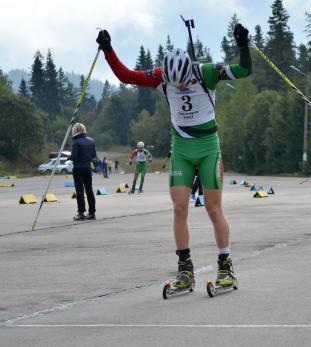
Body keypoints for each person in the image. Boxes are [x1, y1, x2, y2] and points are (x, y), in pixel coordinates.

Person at [96, 22, 251, 290]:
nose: (177, 88)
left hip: (207, 148)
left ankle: (226, 266)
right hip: (181, 148)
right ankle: (185, 269)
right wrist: (108, 50)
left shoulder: (206, 73)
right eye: (172, 84)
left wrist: (242, 44)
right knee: (179, 208)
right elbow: (127, 76)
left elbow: (244, 69)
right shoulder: (161, 76)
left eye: (181, 84)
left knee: (213, 209)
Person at [70, 123, 97, 221]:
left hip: (78, 168)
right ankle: (92, 212)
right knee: (89, 190)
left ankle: (81, 213)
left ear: (75, 131)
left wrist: (69, 157)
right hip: (87, 168)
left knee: (80, 191)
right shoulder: (91, 141)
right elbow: (93, 155)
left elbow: (74, 157)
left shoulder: (76, 142)